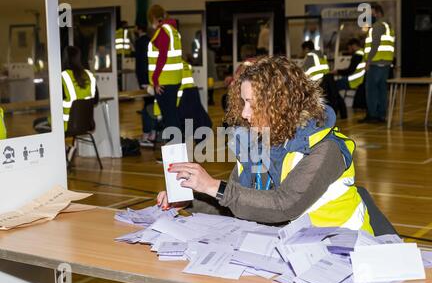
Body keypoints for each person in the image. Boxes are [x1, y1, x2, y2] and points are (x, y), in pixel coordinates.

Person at [156, 56, 374, 234]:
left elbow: (283, 205)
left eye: (251, 103)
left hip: (343, 248)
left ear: (279, 104)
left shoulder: (326, 148)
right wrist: (188, 201)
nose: (244, 113)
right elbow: (235, 204)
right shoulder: (257, 143)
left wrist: (212, 186)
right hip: (293, 246)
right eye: (243, 103)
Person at [33, 46, 98, 133]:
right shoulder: (89, 75)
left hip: (65, 125)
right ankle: (68, 147)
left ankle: (60, 146)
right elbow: (95, 101)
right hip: (87, 124)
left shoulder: (63, 77)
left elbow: (56, 104)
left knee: (37, 123)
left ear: (64, 58)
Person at [147, 4, 183, 143]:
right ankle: (177, 151)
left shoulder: (162, 31)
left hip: (164, 82)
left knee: (170, 119)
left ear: (154, 18)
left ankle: (173, 153)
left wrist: (155, 80)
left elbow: (162, 57)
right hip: (173, 80)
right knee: (172, 116)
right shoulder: (173, 30)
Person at [359, 3, 395, 123]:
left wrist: (368, 61)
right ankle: (381, 115)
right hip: (385, 63)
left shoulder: (378, 25)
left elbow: (375, 45)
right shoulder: (388, 25)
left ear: (378, 13)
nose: (370, 16)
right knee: (382, 90)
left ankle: (373, 115)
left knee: (371, 90)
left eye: (371, 14)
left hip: (375, 62)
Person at [302, 41, 347, 119]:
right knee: (334, 96)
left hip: (319, 80)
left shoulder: (310, 55)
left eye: (303, 50)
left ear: (306, 48)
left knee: (322, 99)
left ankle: (322, 117)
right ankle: (342, 114)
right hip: (328, 76)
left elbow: (304, 70)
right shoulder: (320, 54)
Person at [135, 25, 157, 147]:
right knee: (152, 106)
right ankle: (152, 133)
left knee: (147, 108)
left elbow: (141, 63)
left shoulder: (141, 42)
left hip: (146, 79)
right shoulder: (152, 43)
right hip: (153, 79)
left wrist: (143, 80)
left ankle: (147, 134)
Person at [331, 38, 367, 111]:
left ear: (353, 46)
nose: (348, 50)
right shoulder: (363, 53)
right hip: (360, 79)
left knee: (332, 86)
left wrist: (337, 71)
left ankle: (338, 106)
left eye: (349, 48)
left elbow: (350, 71)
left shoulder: (357, 55)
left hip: (353, 80)